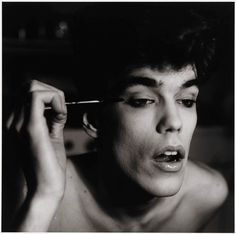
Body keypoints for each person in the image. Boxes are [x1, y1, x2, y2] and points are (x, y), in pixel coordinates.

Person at [5, 3, 228, 232]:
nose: (174, 122)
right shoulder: (31, 193)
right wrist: (45, 197)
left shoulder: (208, 196)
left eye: (187, 101)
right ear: (94, 119)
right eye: (141, 101)